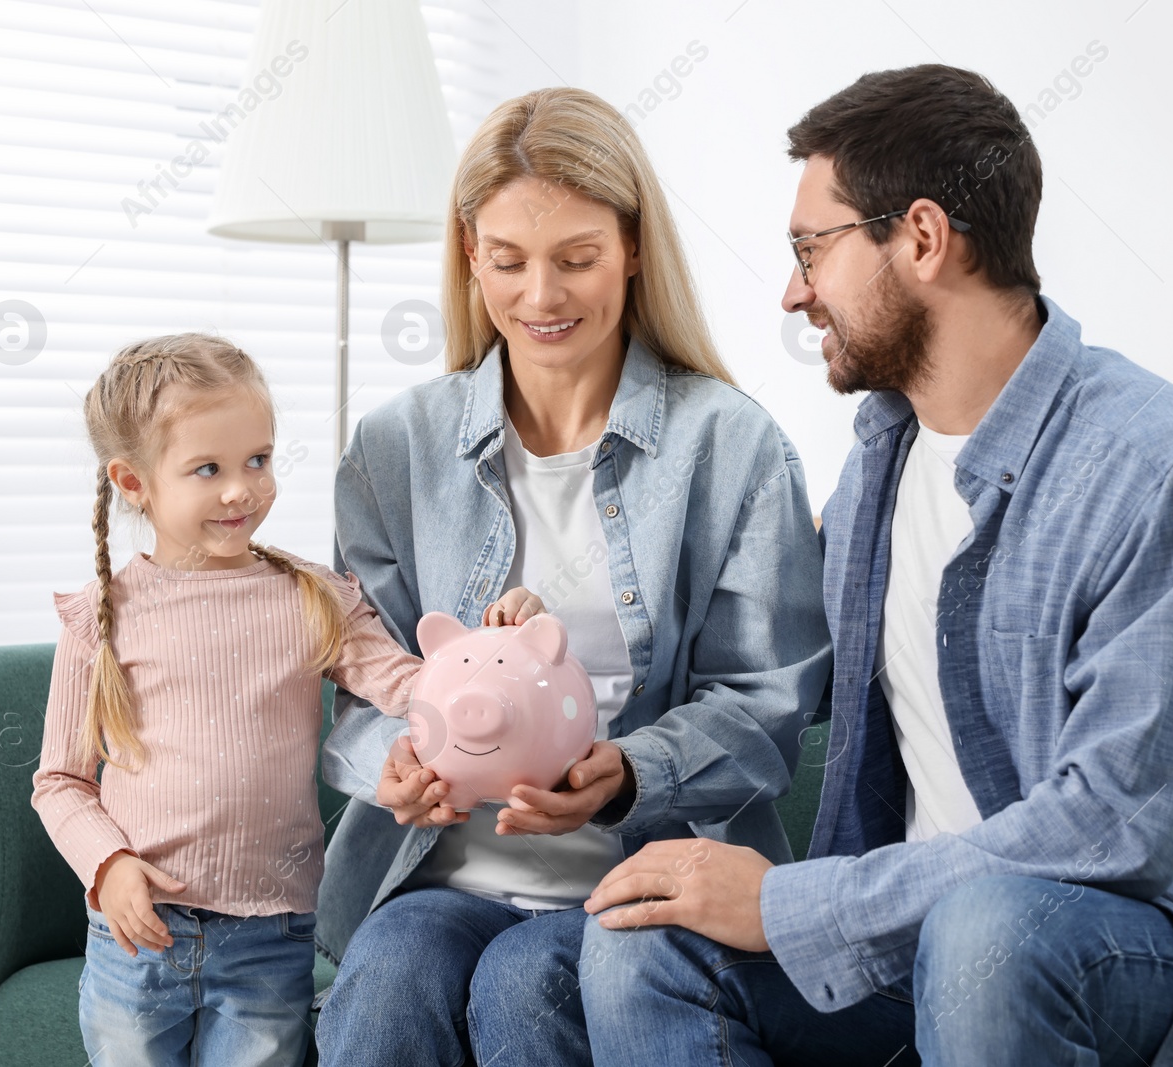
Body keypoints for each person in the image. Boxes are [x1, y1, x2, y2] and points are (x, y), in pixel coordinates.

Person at [578, 64, 1173, 1065]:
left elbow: (1112, 828)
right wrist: (596, 727)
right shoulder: (876, 466)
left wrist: (785, 897)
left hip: (1159, 964)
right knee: (642, 947)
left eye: (812, 248)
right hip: (919, 953)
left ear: (924, 240)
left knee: (986, 933)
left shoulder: (1166, 473)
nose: (793, 289)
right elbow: (768, 677)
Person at [312, 87, 831, 1067]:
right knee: (383, 978)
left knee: (526, 983)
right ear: (470, 253)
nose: (541, 296)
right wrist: (391, 761)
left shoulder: (731, 446)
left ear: (633, 247)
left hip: (646, 877)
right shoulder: (393, 451)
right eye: (507, 260)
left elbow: (767, 701)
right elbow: (359, 675)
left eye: (576, 259)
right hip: (438, 878)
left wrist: (629, 773)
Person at [31, 333, 521, 1066]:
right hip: (141, 932)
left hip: (272, 933)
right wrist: (108, 865)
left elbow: (405, 680)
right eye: (209, 469)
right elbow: (60, 782)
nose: (242, 489)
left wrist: (490, 660)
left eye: (257, 459)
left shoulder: (310, 597)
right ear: (134, 483)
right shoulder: (102, 615)